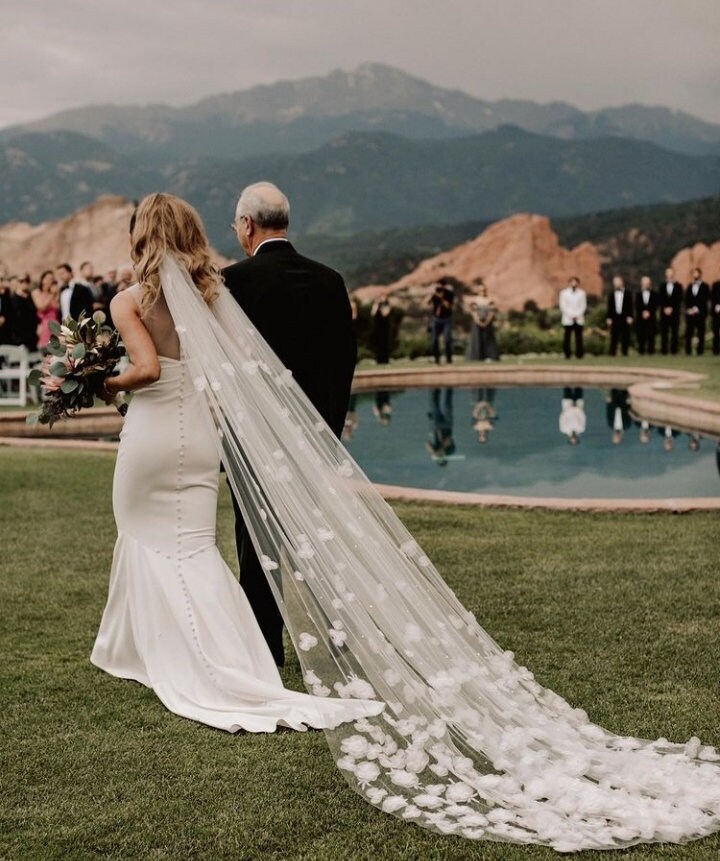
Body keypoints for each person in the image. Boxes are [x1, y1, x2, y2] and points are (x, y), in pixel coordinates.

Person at [91, 192, 720, 853]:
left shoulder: (214, 287)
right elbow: (336, 358)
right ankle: (251, 654)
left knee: (245, 554)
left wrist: (96, 380)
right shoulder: (289, 283)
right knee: (257, 551)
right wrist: (323, 431)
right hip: (291, 433)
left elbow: (201, 368)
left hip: (216, 436)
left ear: (246, 225)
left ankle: (251, 658)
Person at [92, 192, 380, 736]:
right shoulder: (212, 293)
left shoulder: (128, 301)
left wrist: (101, 381)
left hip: (154, 433)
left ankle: (143, 649)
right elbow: (245, 363)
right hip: (200, 436)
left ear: (141, 235)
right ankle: (237, 655)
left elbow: (148, 369)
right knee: (197, 546)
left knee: (139, 531)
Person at [222, 182, 356, 667]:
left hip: (254, 436)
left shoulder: (234, 280)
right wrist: (328, 432)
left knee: (257, 541)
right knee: (319, 537)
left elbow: (225, 369)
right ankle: (338, 638)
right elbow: (345, 363)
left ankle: (265, 645)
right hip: (316, 435)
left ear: (247, 225)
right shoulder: (330, 279)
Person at [467, 280, 499, 361]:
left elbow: (492, 312)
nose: (483, 292)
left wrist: (487, 321)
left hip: (488, 322)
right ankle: (477, 357)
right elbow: (473, 311)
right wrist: (477, 321)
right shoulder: (474, 300)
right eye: (481, 290)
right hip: (477, 322)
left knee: (488, 339)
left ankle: (490, 356)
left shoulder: (489, 300)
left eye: (484, 290)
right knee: (477, 340)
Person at [558, 276, 586, 359]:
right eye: (572, 282)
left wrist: (577, 315)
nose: (574, 283)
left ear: (578, 283)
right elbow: (562, 306)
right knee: (567, 337)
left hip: (578, 318)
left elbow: (583, 306)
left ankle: (579, 354)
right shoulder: (563, 293)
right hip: (568, 319)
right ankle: (567, 354)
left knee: (579, 337)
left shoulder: (582, 293)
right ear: (569, 283)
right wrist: (570, 315)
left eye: (575, 282)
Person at [428, 278, 454, 364]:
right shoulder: (434, 294)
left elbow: (449, 306)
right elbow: (426, 302)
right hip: (436, 319)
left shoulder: (449, 294)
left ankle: (449, 359)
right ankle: (436, 359)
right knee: (434, 340)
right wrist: (432, 294)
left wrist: (441, 298)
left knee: (447, 339)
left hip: (446, 319)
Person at [684, 267, 709, 355]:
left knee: (700, 333)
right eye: (693, 273)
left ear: (700, 274)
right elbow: (687, 300)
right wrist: (689, 310)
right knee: (689, 333)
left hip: (700, 314)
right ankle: (688, 351)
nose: (695, 275)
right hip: (690, 314)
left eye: (696, 273)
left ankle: (700, 351)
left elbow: (705, 300)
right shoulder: (690, 286)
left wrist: (697, 309)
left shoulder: (705, 287)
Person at [33, 270, 61, 350]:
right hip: (45, 325)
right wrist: (52, 295)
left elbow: (57, 308)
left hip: (56, 323)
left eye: (51, 279)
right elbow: (42, 307)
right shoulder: (37, 292)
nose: (50, 281)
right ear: (42, 280)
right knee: (47, 349)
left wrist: (56, 294)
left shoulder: (53, 293)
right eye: (48, 278)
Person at [605, 275, 633, 356]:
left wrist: (630, 317)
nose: (616, 283)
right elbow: (609, 307)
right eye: (614, 282)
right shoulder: (611, 294)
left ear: (621, 282)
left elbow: (630, 306)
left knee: (625, 336)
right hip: (615, 317)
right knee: (614, 336)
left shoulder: (628, 294)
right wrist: (608, 318)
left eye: (617, 281)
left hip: (625, 317)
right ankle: (612, 353)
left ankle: (625, 353)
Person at [658, 267, 683, 355]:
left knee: (674, 332)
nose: (669, 274)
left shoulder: (679, 286)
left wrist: (672, 308)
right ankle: (664, 351)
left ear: (673, 274)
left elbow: (679, 299)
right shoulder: (662, 286)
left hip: (675, 313)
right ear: (666, 274)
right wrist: (665, 308)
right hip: (664, 313)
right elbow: (660, 299)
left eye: (670, 273)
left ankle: (674, 351)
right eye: (667, 273)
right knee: (664, 332)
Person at [634, 275, 657, 355]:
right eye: (644, 282)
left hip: (651, 318)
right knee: (641, 336)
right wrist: (643, 312)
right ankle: (641, 352)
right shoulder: (638, 294)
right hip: (641, 318)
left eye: (647, 282)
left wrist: (649, 312)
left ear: (650, 283)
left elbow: (655, 305)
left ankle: (651, 353)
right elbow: (637, 305)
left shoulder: (654, 294)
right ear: (641, 283)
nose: (646, 284)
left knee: (651, 336)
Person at [370, 291, 392, 364]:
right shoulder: (377, 304)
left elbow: (385, 313)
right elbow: (372, 313)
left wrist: (380, 306)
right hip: (378, 327)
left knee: (385, 343)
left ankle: (385, 360)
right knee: (379, 343)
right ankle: (379, 359)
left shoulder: (387, 304)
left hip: (385, 327)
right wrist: (376, 304)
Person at [711, 278, 720, 356]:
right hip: (716, 313)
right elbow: (712, 298)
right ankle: (716, 351)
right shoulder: (715, 285)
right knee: (716, 332)